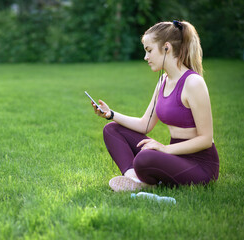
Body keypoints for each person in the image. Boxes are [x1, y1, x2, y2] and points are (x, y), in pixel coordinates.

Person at [92, 20, 219, 192]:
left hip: (199, 166)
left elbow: (205, 139)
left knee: (145, 159)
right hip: (174, 157)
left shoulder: (193, 83)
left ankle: (144, 178)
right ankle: (133, 179)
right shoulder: (163, 80)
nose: (146, 57)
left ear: (167, 47)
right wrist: (111, 114)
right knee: (112, 129)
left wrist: (165, 149)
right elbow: (145, 124)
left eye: (149, 51)